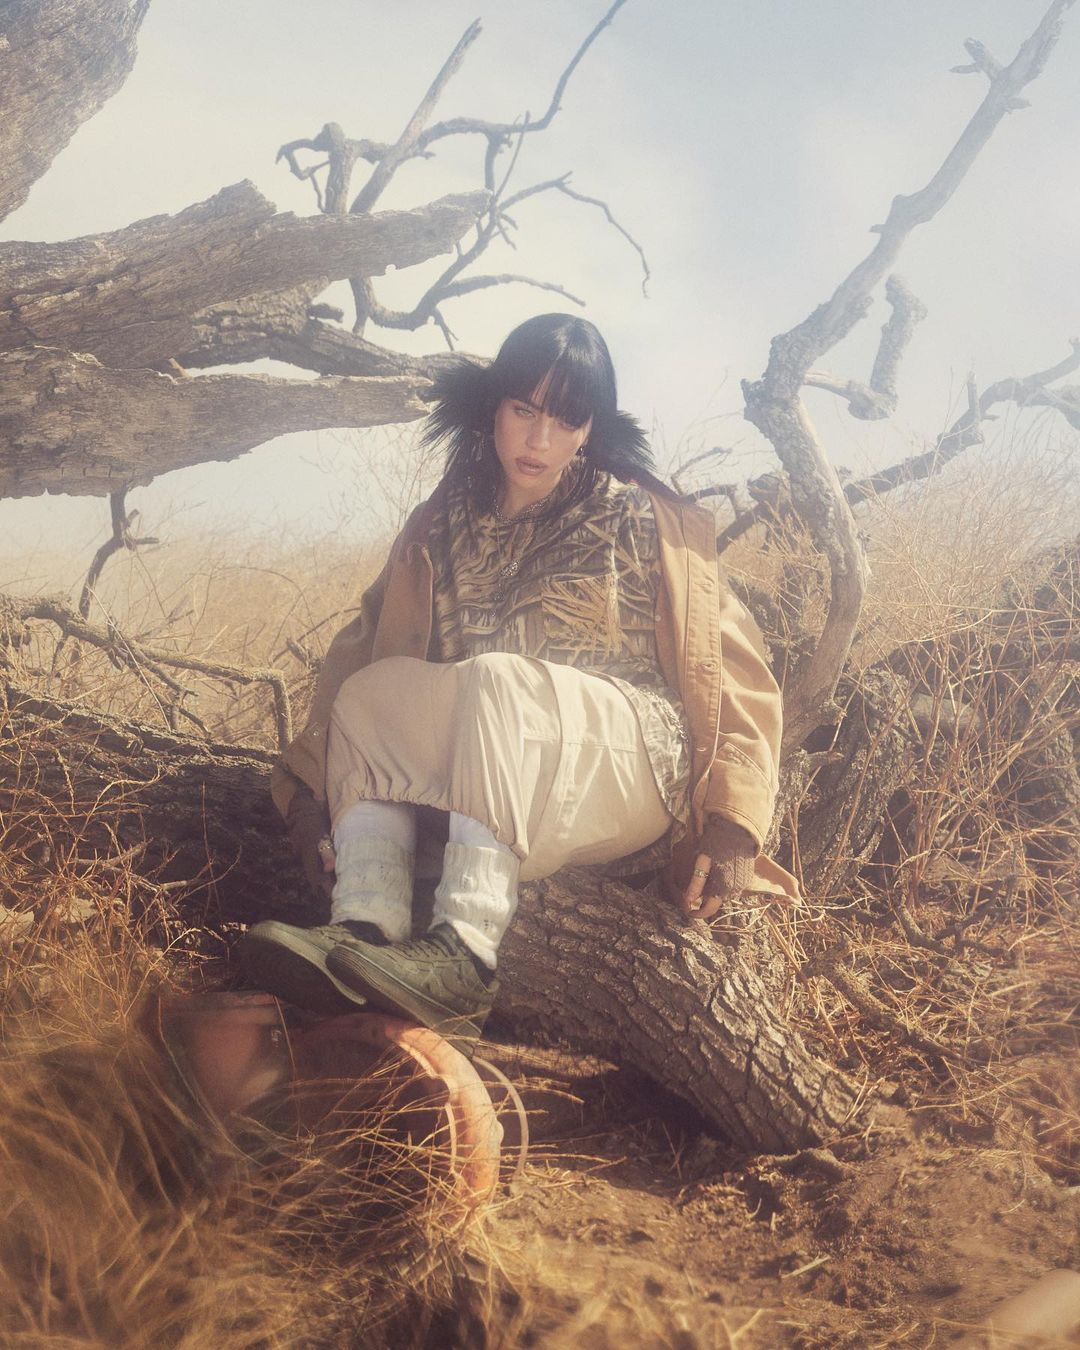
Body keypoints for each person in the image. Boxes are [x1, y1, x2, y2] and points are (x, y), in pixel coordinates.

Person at [241, 313, 795, 1041]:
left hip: (634, 770)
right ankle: (365, 931)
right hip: (496, 769)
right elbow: (362, 650)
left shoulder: (641, 519)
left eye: (565, 420)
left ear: (589, 429)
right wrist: (308, 794)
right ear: (494, 407)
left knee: (499, 681)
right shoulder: (439, 524)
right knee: (369, 690)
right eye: (524, 410)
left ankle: (463, 954)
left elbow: (736, 671)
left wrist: (735, 822)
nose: (539, 441)